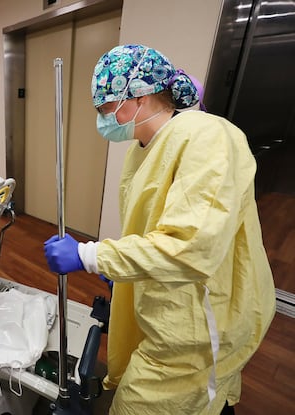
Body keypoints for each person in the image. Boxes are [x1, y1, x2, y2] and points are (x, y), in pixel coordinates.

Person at [43, 44, 275, 415]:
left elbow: (190, 245)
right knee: (202, 399)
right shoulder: (144, 147)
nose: (103, 118)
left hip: (199, 317)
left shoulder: (208, 136)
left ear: (139, 94)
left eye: (105, 107)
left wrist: (90, 255)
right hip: (168, 300)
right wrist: (117, 269)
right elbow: (151, 226)